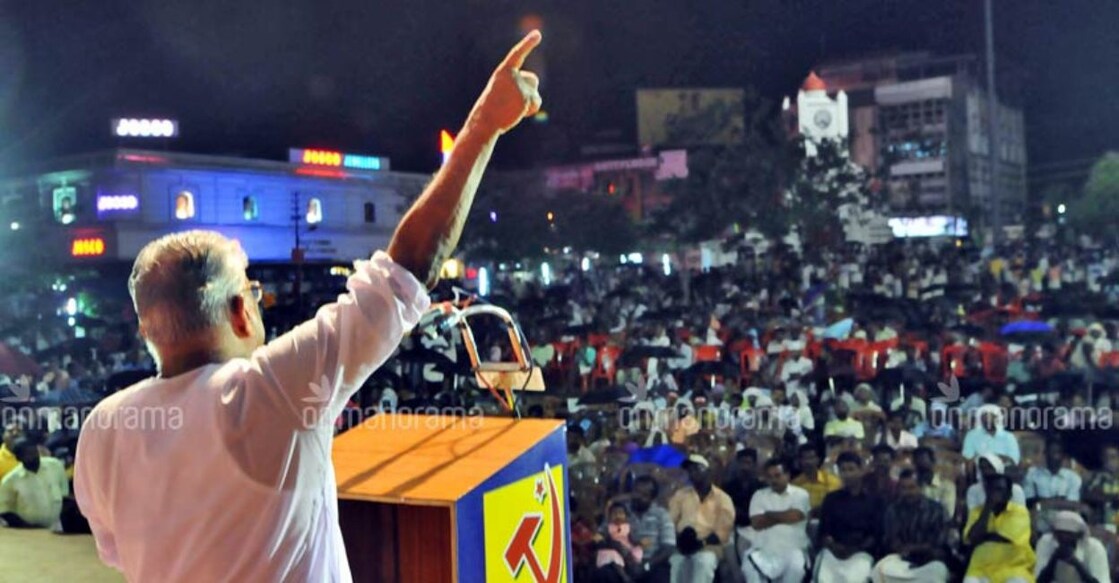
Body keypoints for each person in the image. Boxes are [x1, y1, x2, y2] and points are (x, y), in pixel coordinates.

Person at [74, 30, 544, 583]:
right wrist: (484, 125)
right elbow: (408, 267)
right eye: (252, 289)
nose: (258, 300)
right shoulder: (266, 396)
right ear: (236, 311)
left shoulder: (103, 430)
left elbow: (117, 548)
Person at [816, 451, 883, 583]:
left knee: (855, 577)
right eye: (843, 470)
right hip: (834, 551)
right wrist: (833, 546)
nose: (847, 474)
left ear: (861, 470)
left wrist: (854, 549)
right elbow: (824, 531)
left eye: (851, 469)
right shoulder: (831, 499)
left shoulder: (875, 500)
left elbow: (876, 534)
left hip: (861, 552)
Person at [872, 469, 950, 582]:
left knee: (937, 573)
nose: (908, 492)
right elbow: (891, 539)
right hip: (901, 560)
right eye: (904, 488)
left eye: (912, 487)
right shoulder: (893, 510)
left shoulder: (936, 509)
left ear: (921, 487)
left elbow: (938, 542)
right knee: (880, 570)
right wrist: (899, 548)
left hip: (930, 560)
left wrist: (913, 548)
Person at [740, 459, 810, 583]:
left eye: (777, 475)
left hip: (793, 549)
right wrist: (785, 516)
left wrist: (768, 514)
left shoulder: (800, 494)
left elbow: (795, 516)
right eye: (770, 477)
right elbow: (756, 523)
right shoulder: (759, 495)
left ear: (788, 475)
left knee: (797, 568)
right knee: (749, 567)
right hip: (763, 549)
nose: (773, 480)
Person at [667, 454, 734, 583]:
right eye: (690, 470)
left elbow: (723, 531)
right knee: (676, 562)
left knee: (703, 562)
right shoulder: (681, 495)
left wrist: (701, 543)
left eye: (696, 469)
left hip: (708, 546)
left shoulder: (722, 498)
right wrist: (680, 539)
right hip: (683, 543)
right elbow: (670, 522)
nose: (692, 473)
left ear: (708, 471)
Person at [963, 474, 1036, 583]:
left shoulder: (1020, 512)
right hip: (980, 569)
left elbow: (1008, 536)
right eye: (991, 490)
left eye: (999, 490)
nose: (994, 494)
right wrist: (987, 507)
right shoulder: (976, 512)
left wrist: (984, 538)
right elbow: (971, 538)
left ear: (1009, 494)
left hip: (1013, 568)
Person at [0, 437, 69, 529]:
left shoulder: (56, 466)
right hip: (29, 534)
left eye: (33, 451)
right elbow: (5, 511)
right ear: (18, 458)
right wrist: (28, 527)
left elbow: (65, 496)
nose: (32, 455)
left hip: (58, 529)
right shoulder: (10, 481)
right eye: (26, 453)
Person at [624, 476, 676, 583]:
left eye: (644, 495)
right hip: (623, 561)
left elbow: (668, 547)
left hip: (652, 563)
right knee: (604, 572)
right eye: (636, 492)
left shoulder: (661, 515)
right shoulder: (621, 511)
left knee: (660, 576)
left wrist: (646, 566)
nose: (637, 497)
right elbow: (604, 534)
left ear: (652, 498)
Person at [1035, 510, 1111, 583]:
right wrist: (1054, 558)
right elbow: (1039, 580)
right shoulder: (1046, 542)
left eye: (1069, 535)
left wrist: (1076, 563)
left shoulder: (1095, 548)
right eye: (1060, 535)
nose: (1064, 538)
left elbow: (1101, 580)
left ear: (1079, 535)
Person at [1023, 439, 1083, 507]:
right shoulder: (1032, 474)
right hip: (1039, 514)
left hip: (1065, 515)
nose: (1053, 456)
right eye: (1050, 452)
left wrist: (1043, 501)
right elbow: (1029, 501)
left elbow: (1073, 503)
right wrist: (1061, 501)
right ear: (1045, 453)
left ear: (1063, 455)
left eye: (1057, 452)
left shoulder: (1073, 478)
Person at [792, 443, 842, 518]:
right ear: (799, 461)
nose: (808, 462)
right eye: (804, 458)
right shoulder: (795, 484)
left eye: (811, 458)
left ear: (818, 459)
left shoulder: (832, 481)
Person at [596, 502, 644, 579]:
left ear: (625, 516)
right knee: (613, 556)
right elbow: (601, 537)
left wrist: (637, 543)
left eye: (620, 513)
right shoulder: (608, 527)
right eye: (614, 514)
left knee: (636, 552)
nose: (618, 516)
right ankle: (624, 577)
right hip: (613, 549)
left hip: (627, 548)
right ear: (609, 516)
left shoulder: (628, 526)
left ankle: (631, 568)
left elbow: (633, 539)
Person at [723, 448, 762, 538]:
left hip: (756, 530)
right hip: (733, 529)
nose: (745, 467)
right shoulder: (728, 487)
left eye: (748, 463)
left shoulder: (762, 487)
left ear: (754, 465)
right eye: (742, 463)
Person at [912, 447, 957, 520]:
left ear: (933, 462)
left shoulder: (947, 486)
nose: (921, 468)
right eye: (919, 467)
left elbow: (948, 514)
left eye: (924, 467)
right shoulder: (911, 487)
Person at [1084, 444, 1119, 525]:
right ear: (1102, 459)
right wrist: (1112, 497)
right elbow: (1089, 494)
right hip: (1102, 523)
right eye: (1106, 457)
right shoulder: (1096, 476)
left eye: (1113, 457)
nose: (1109, 461)